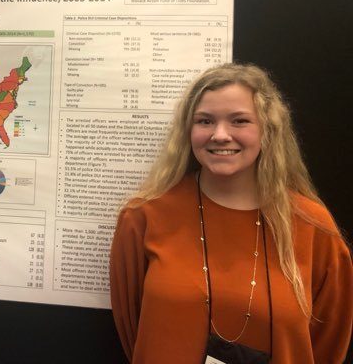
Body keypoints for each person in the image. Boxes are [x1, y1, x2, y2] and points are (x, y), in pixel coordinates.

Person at [110, 63, 352, 363]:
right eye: (205, 121)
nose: (220, 135)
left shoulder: (312, 225)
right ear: (188, 131)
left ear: (268, 129)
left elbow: (328, 343)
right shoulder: (144, 216)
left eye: (239, 121)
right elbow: (132, 327)